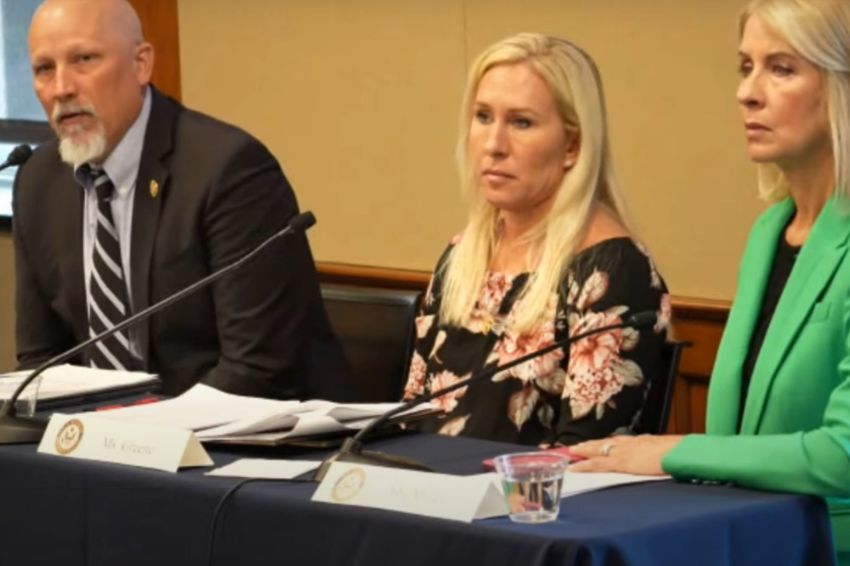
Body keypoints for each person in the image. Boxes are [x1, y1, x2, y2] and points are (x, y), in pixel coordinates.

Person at [570, 0, 850, 561]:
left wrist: (675, 452)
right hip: (740, 539)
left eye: (782, 68)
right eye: (745, 66)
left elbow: (843, 453)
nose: (747, 92)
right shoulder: (770, 231)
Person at [13, 0, 350, 401]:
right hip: (103, 447)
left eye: (84, 59)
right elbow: (41, 361)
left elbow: (259, 368)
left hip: (247, 440)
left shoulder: (229, 170)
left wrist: (136, 433)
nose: (62, 88)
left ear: (141, 63)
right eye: (44, 69)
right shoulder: (38, 179)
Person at [402, 33, 670, 446]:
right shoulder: (461, 256)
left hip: (531, 506)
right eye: (483, 117)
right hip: (425, 499)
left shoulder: (612, 270)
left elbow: (586, 455)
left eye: (521, 122)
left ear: (572, 145)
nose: (493, 145)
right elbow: (411, 416)